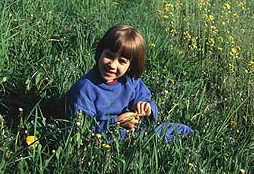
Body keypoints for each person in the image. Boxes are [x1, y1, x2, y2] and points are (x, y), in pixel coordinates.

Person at [63, 24, 194, 141]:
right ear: (100, 52)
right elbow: (80, 128)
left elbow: (146, 101)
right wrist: (116, 123)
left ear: (130, 66)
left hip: (131, 129)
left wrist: (147, 109)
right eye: (109, 55)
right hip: (104, 134)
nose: (112, 65)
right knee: (141, 138)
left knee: (178, 129)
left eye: (122, 61)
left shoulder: (131, 81)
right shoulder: (86, 88)